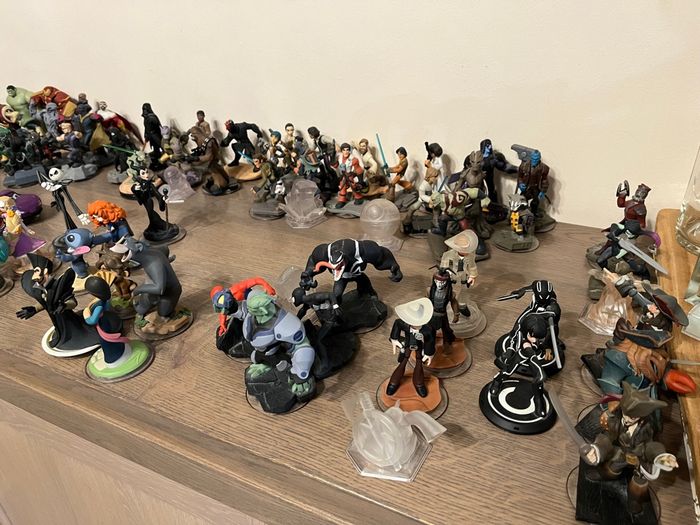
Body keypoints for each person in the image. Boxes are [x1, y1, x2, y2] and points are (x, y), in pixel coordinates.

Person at [489, 314, 549, 417]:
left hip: (535, 355)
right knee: (508, 371)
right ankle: (497, 381)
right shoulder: (522, 336)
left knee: (538, 382)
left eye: (539, 338)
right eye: (533, 337)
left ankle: (538, 399)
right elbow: (529, 352)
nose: (536, 340)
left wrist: (547, 351)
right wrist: (510, 350)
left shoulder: (539, 336)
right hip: (522, 355)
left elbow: (545, 345)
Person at [386, 298, 436, 397]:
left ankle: (419, 383)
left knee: (419, 362)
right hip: (407, 344)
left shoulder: (428, 329)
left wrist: (428, 353)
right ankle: (394, 382)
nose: (415, 325)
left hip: (420, 346)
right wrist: (394, 339)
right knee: (403, 361)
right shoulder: (404, 324)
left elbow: (430, 341)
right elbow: (397, 324)